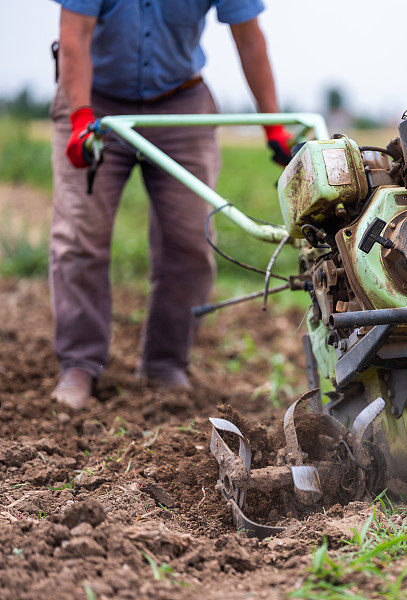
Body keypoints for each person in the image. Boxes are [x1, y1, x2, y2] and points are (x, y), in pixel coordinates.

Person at [50, 0, 292, 409]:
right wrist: (79, 118)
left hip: (180, 102)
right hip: (95, 100)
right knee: (80, 235)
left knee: (190, 240)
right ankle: (78, 365)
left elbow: (249, 40)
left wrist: (273, 125)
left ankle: (164, 364)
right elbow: (75, 35)